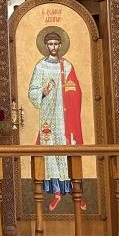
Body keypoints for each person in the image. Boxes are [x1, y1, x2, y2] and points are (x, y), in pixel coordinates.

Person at [27, 30, 84, 210]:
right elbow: (32, 90)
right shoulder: (40, 66)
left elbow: (76, 90)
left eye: (56, 44)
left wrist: (69, 89)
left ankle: (74, 191)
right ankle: (56, 192)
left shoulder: (66, 66)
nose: (53, 47)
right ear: (46, 45)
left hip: (65, 115)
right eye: (50, 44)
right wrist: (44, 90)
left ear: (60, 45)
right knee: (49, 149)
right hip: (48, 115)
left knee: (66, 147)